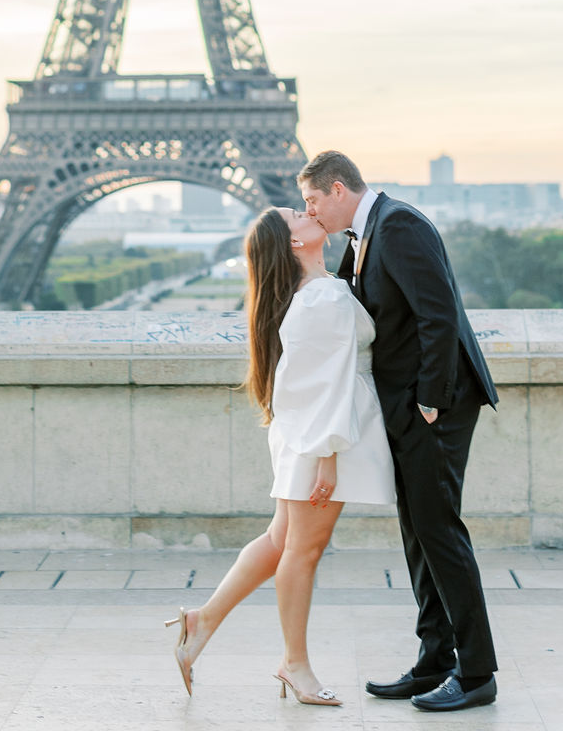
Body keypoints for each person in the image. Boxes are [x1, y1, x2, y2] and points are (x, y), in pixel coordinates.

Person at [166, 204, 395, 705]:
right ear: (294, 242)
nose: (308, 210)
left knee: (281, 539)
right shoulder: (320, 300)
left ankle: (199, 623)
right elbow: (321, 385)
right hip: (321, 438)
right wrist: (329, 455)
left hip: (308, 433)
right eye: (298, 213)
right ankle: (294, 663)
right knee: (303, 550)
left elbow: (309, 382)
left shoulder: (315, 293)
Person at [298, 151, 499, 714]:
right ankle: (436, 660)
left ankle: (477, 672)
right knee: (418, 533)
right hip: (406, 408)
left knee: (439, 533)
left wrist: (431, 403)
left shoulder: (399, 225)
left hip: (435, 406)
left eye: (313, 201)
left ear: (338, 189)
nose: (310, 212)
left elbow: (439, 315)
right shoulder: (364, 236)